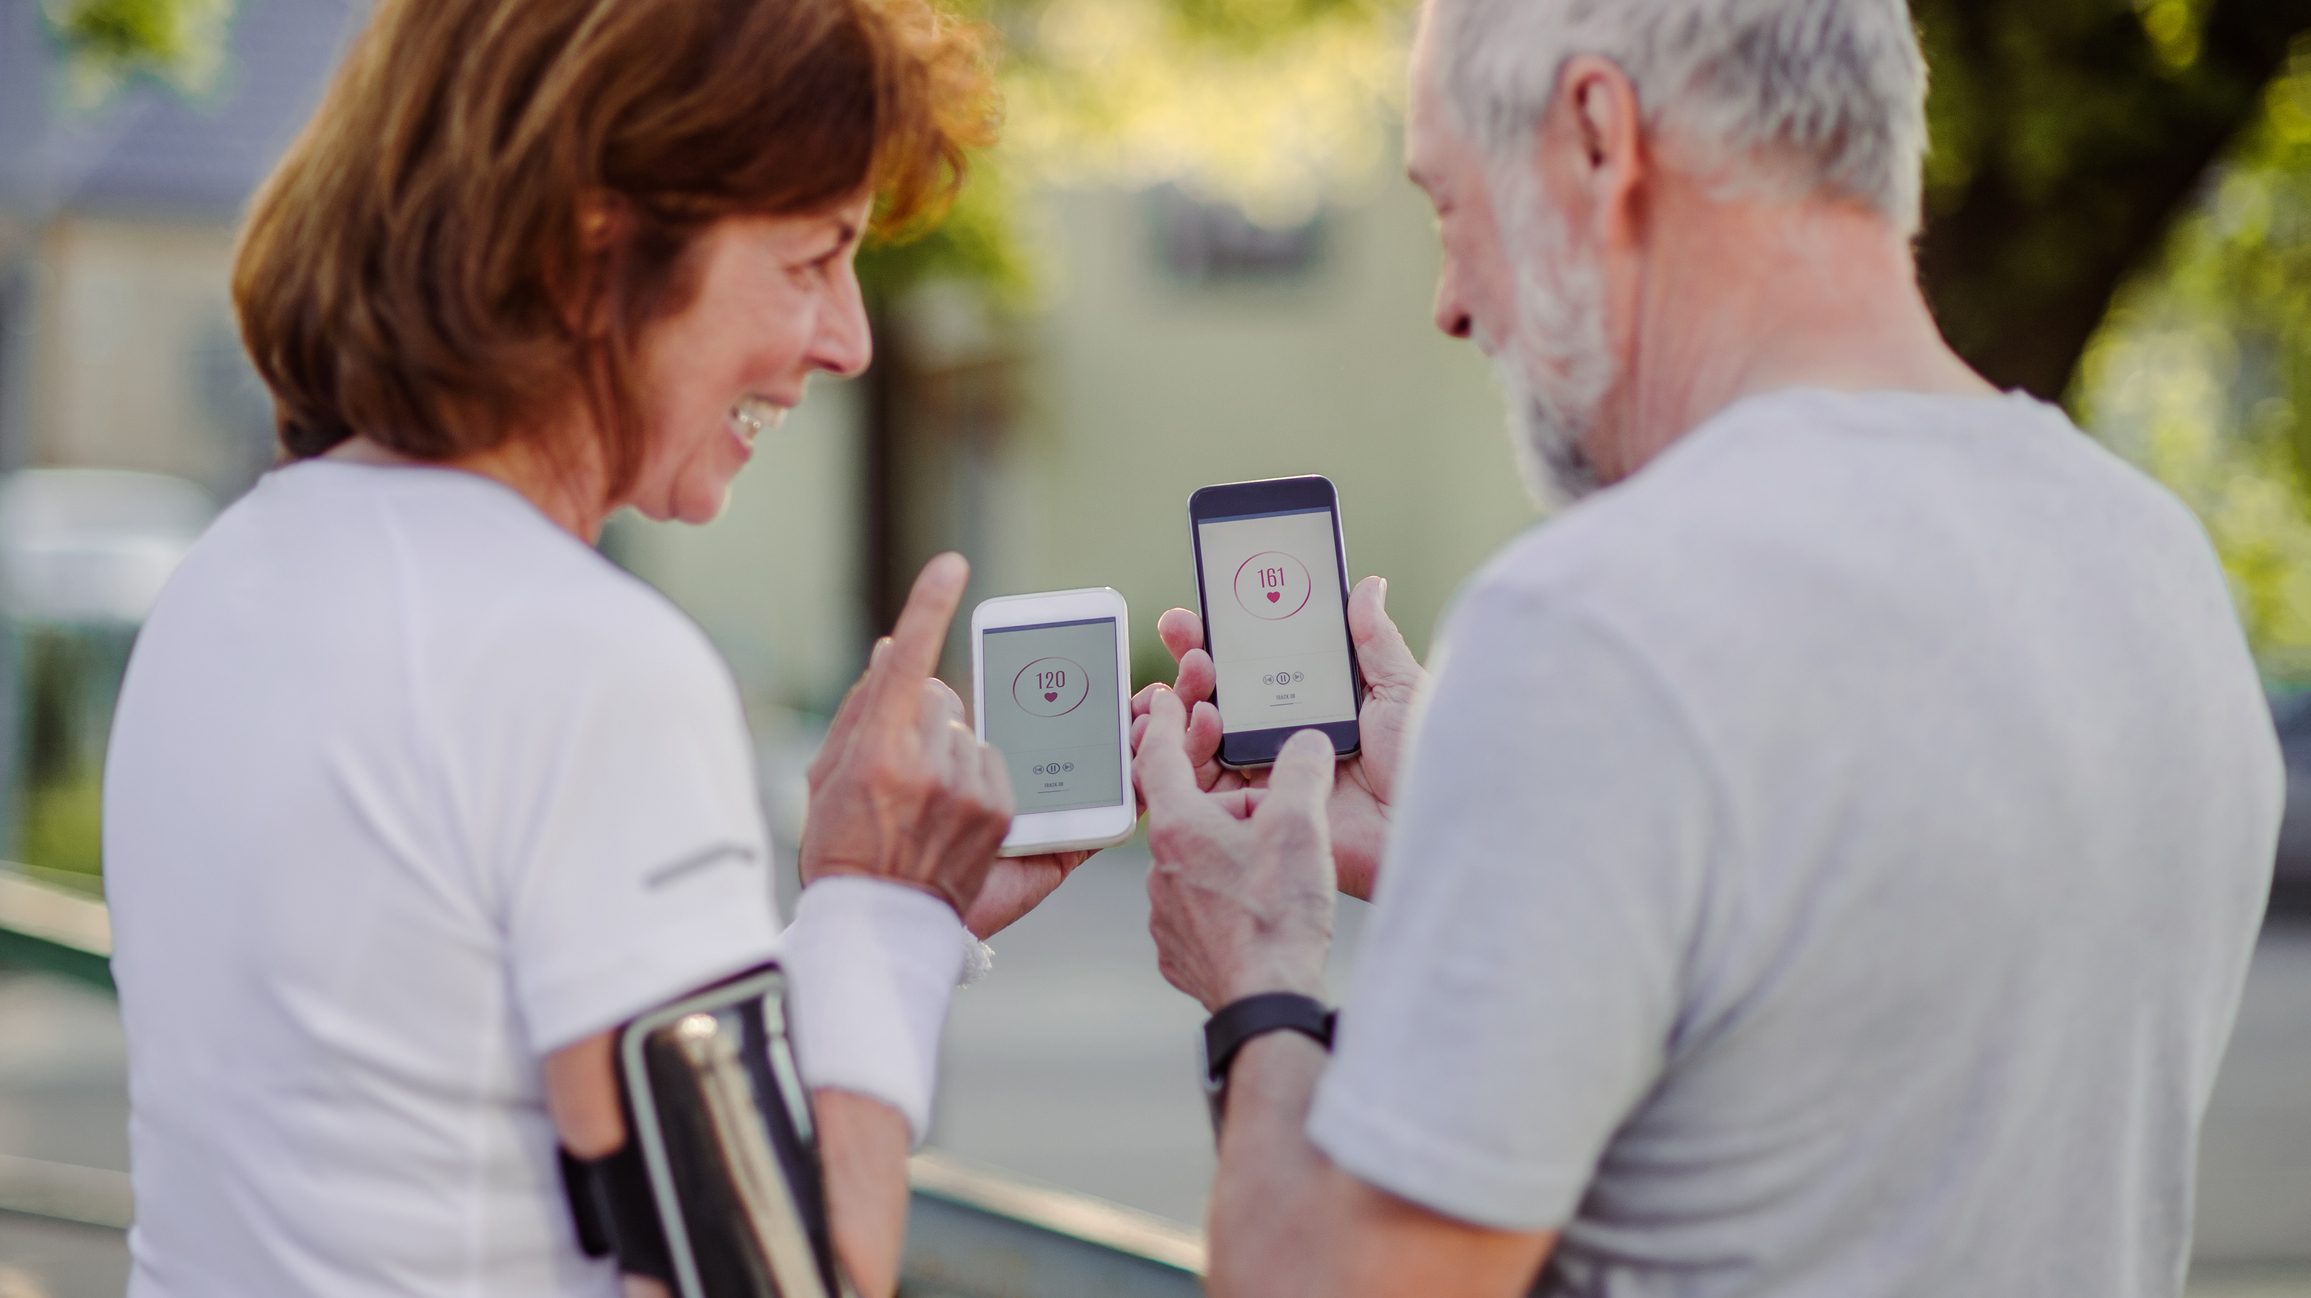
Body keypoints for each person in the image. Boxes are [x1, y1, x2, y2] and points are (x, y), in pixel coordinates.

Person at [1129, 0, 2284, 1294]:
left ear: (1599, 138)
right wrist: (1479, 841)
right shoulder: (2152, 565)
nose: (1452, 303)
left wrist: (1259, 974)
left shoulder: (1596, 626)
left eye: (1452, 211)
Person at [99, 1, 1088, 1295]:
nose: (845, 339)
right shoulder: (582, 658)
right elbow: (778, 1277)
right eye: (810, 260)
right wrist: (880, 909)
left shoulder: (231, 575)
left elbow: (469, 1115)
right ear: (595, 242)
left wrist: (894, 904)